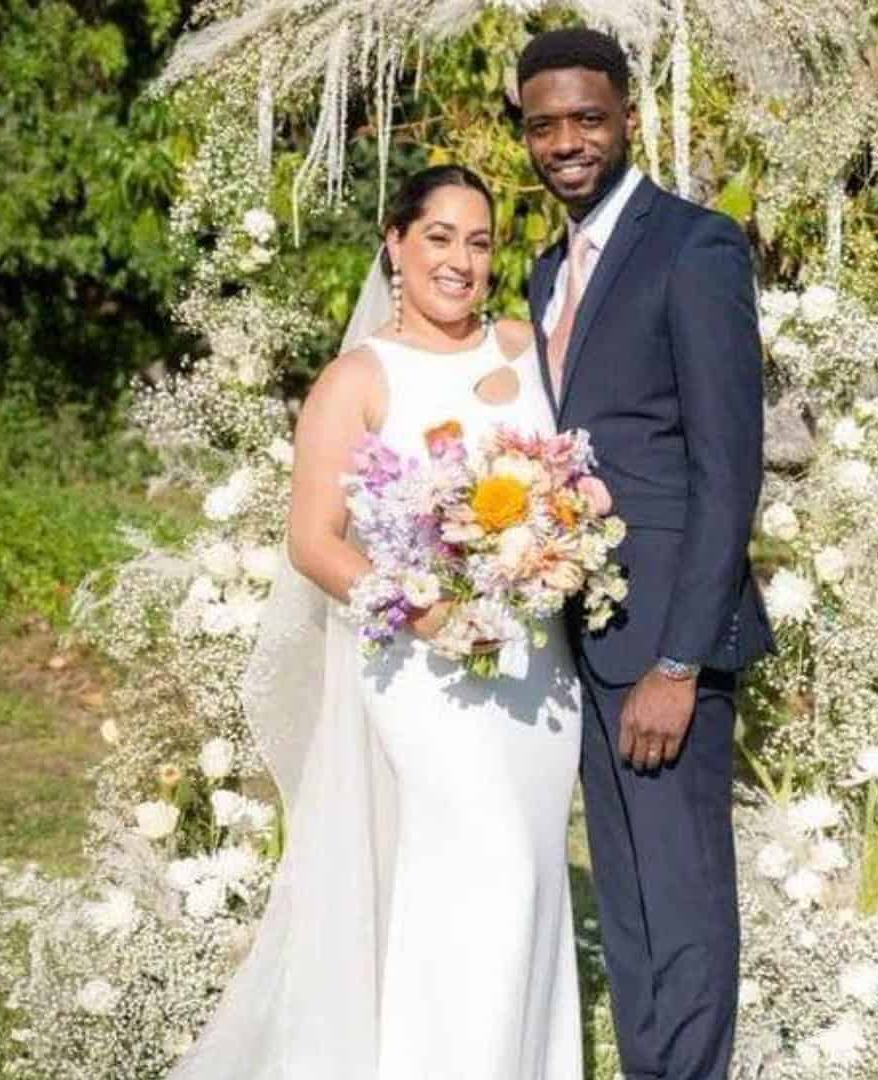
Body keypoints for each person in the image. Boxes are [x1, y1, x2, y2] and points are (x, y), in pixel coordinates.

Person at [166, 165, 585, 1079]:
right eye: (438, 237)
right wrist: (423, 608)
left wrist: (558, 538)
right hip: (423, 669)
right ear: (395, 244)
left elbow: (571, 477)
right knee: (489, 870)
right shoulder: (357, 379)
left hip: (536, 669)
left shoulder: (527, 348)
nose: (460, 260)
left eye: (479, 242)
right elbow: (313, 542)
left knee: (530, 879)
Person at [517, 27, 776, 1080]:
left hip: (666, 641)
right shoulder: (544, 273)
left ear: (627, 115)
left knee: (682, 901)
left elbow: (727, 466)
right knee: (626, 908)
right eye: (544, 125)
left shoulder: (694, 246)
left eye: (587, 118)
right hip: (582, 634)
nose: (566, 142)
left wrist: (679, 661)